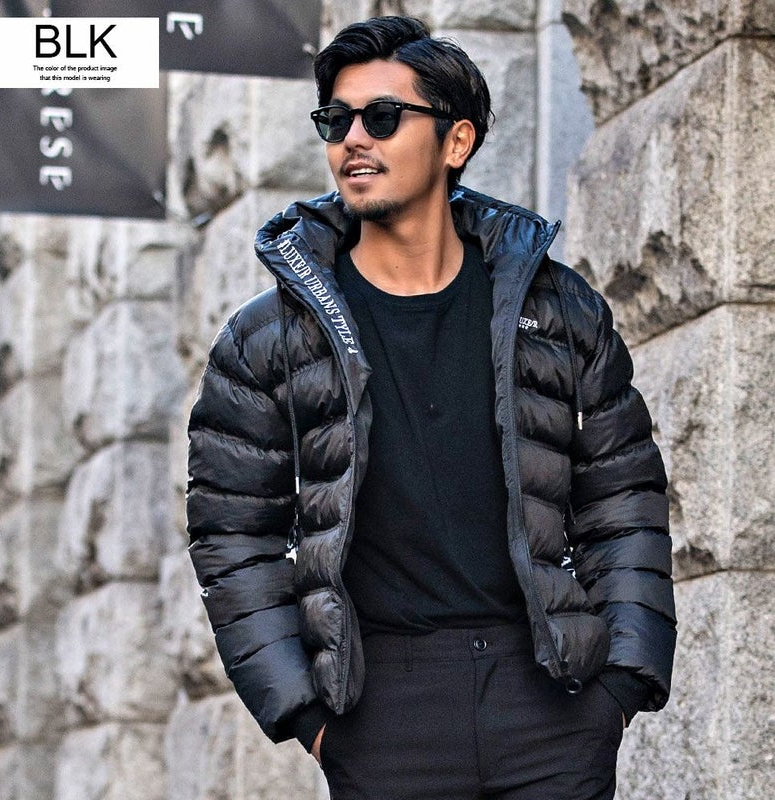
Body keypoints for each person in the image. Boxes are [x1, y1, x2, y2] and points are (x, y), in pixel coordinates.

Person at [186, 15, 676, 800]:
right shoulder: (267, 337)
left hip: (550, 702)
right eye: (336, 120)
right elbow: (232, 535)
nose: (354, 139)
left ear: (456, 141)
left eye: (383, 117)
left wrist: (617, 689)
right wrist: (308, 717)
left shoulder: (556, 309)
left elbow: (624, 497)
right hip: (384, 713)